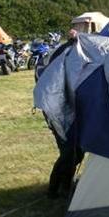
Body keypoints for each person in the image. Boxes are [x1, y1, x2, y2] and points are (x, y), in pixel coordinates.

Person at [37, 29, 84, 198]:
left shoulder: (73, 55)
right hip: (57, 109)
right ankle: (53, 190)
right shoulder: (61, 54)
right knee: (69, 151)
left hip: (68, 108)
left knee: (76, 151)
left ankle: (66, 185)